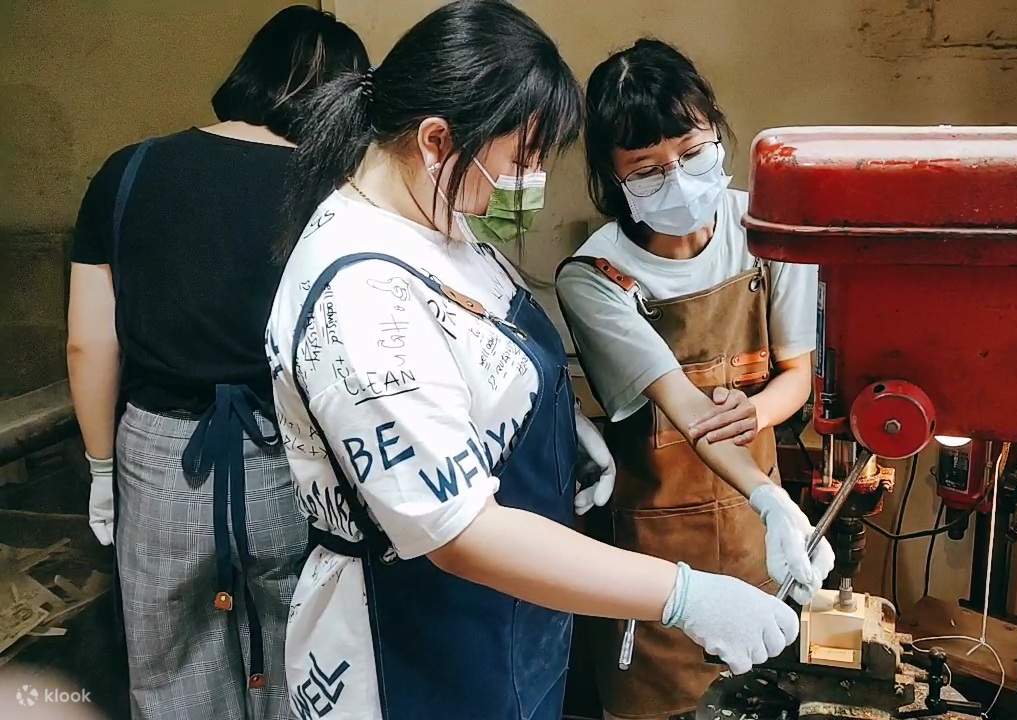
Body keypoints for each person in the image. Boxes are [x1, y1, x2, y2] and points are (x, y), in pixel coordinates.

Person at [265, 3, 819, 719]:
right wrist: (683, 594)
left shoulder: (444, 228)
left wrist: (560, 429)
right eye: (522, 159)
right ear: (438, 140)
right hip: (419, 634)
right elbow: (461, 535)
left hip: (510, 616)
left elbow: (492, 368)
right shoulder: (364, 297)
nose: (527, 181)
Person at [66, 7, 368, 719]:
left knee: (169, 661)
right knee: (301, 651)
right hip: (292, 456)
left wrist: (102, 470)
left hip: (160, 457)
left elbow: (89, 342)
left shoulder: (128, 171)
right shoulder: (335, 194)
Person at [555, 39, 836, 720]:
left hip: (757, 539)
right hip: (655, 556)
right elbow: (684, 407)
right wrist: (774, 498)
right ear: (611, 178)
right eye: (647, 170)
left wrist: (762, 423)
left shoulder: (770, 232)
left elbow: (797, 377)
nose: (677, 180)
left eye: (691, 151)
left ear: (717, 131)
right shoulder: (596, 278)